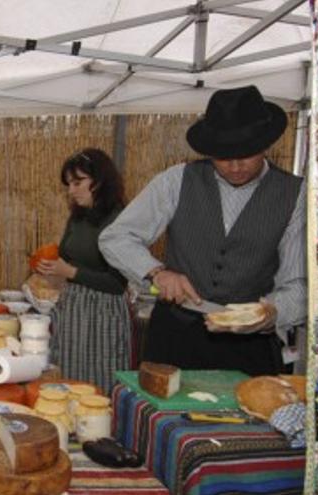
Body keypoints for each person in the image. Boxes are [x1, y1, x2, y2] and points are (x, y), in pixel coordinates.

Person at [99, 85, 306, 376]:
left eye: (245, 154)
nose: (235, 166)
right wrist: (156, 272)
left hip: (249, 346)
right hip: (175, 336)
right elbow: (115, 237)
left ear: (265, 145)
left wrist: (273, 312)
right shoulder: (176, 180)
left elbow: (299, 282)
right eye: (223, 157)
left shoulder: (295, 195)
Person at [36, 148, 129, 393]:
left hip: (103, 314)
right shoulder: (77, 218)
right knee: (68, 378)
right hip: (73, 310)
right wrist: (51, 268)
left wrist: (70, 272)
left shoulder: (118, 221)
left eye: (78, 182)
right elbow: (67, 259)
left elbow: (118, 284)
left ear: (100, 181)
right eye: (69, 184)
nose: (72, 190)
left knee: (97, 382)